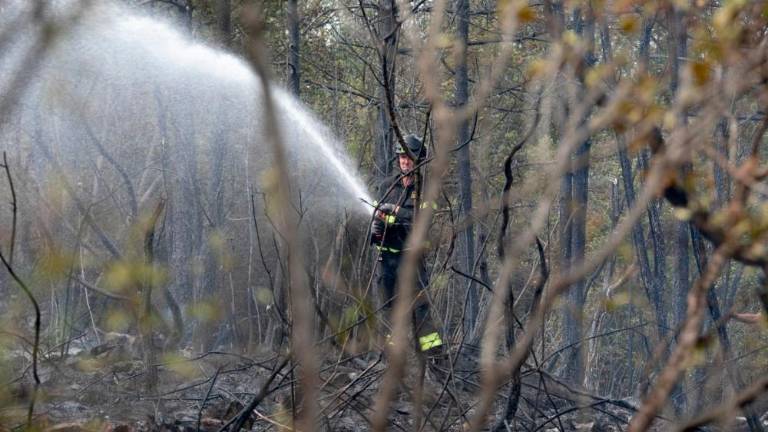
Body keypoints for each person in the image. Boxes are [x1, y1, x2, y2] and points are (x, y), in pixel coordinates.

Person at [370, 134, 443, 356]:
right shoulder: (386, 186)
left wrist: (395, 211)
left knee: (420, 307)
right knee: (390, 308)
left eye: (409, 157)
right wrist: (376, 224)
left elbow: (422, 219)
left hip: (412, 257)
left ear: (419, 160)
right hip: (386, 258)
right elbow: (376, 213)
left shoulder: (426, 188)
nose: (405, 161)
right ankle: (393, 357)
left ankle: (433, 355)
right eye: (402, 157)